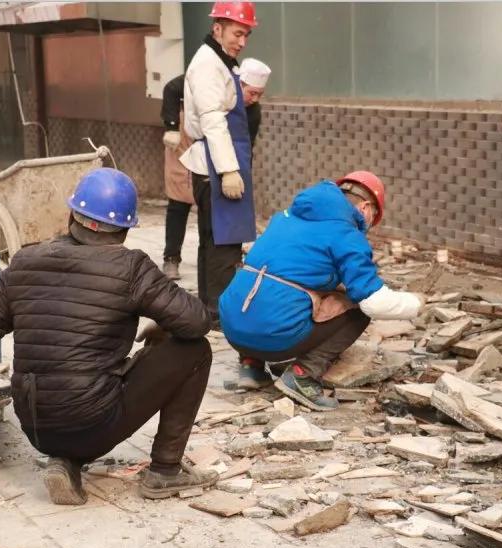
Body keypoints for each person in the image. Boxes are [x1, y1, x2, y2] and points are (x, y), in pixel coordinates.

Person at [0, 168, 219, 505]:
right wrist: (164, 326)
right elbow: (197, 323)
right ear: (126, 229)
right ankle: (165, 471)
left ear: (72, 215)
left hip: (36, 425)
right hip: (93, 422)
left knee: (76, 399)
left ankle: (65, 462)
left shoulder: (26, 260)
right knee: (196, 351)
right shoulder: (131, 268)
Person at [218, 171, 423, 411]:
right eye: (373, 219)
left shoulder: (284, 218)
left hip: (232, 329)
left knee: (268, 289)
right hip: (273, 337)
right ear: (366, 207)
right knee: (359, 309)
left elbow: (293, 270)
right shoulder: (346, 234)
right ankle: (302, 375)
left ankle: (251, 366)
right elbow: (374, 301)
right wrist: (416, 303)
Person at [180, 1, 260, 325]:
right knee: (223, 246)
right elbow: (213, 120)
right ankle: (221, 315)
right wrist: (228, 170)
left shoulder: (222, 62)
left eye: (246, 36)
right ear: (218, 28)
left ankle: (210, 312)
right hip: (215, 166)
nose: (241, 42)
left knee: (214, 243)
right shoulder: (208, 65)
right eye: (237, 33)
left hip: (219, 162)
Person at [160, 56, 271, 282]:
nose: (256, 99)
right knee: (180, 199)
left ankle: (226, 257)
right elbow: (171, 89)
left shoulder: (253, 111)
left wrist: (241, 181)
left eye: (260, 94)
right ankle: (172, 257)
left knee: (217, 207)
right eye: (252, 93)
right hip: (189, 139)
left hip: (222, 155)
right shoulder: (211, 80)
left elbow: (245, 149)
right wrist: (172, 127)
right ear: (239, 85)